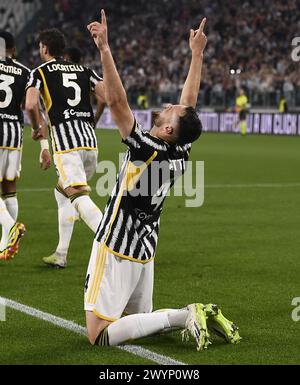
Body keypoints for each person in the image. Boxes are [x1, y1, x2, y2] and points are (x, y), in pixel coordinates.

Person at [84, 11, 241, 351]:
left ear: (168, 129)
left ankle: (185, 316)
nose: (170, 105)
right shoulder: (180, 149)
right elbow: (189, 105)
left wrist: (105, 49)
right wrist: (196, 55)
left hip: (116, 246)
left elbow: (116, 100)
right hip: (146, 248)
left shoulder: (146, 148)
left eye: (170, 111)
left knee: (99, 335)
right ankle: (179, 318)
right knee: (139, 326)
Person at [25, 29, 105, 268]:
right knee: (62, 194)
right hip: (90, 143)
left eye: (40, 47)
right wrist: (93, 120)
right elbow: (108, 97)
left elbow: (30, 104)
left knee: (79, 197)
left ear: (45, 49)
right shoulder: (85, 70)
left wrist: (37, 127)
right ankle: (61, 254)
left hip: (66, 145)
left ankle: (114, 243)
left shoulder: (39, 72)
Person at [0, 31, 28, 261]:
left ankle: (10, 226)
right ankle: (5, 241)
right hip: (14, 132)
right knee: (9, 186)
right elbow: (26, 104)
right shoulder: (24, 71)